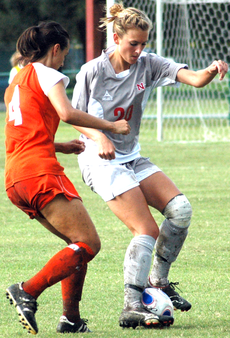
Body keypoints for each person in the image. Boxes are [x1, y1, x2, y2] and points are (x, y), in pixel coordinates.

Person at [71, 2, 228, 330]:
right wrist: (100, 138)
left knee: (181, 210)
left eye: (144, 44)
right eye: (133, 43)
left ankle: (157, 281)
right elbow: (75, 117)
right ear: (116, 37)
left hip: (131, 156)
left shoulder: (148, 63)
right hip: (98, 160)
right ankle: (131, 303)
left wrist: (211, 71)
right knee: (146, 229)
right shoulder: (92, 71)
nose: (139, 50)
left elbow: (195, 79)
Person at [4, 21, 130, 335]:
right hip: (39, 172)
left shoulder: (17, 80)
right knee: (89, 243)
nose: (65, 61)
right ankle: (27, 290)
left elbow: (22, 132)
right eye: (65, 53)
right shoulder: (48, 72)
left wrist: (60, 145)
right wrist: (110, 128)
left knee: (75, 247)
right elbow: (68, 113)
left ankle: (71, 319)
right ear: (56, 49)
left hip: (16, 178)